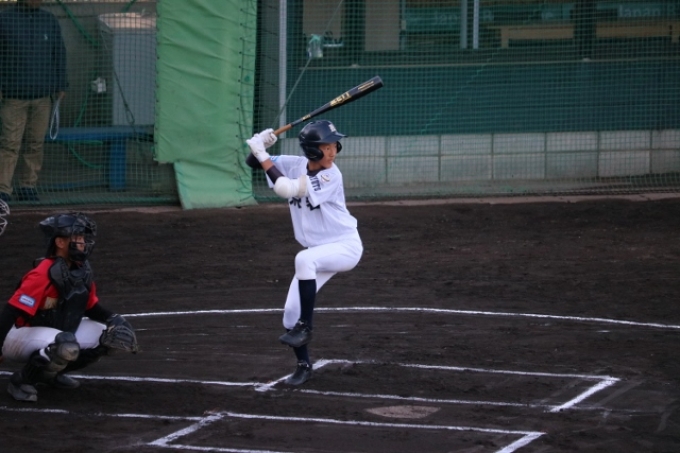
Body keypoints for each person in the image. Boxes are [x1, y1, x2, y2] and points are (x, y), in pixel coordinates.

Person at [246, 120, 364, 386]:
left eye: (334, 145)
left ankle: (306, 326)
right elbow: (253, 163)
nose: (332, 151)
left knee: (304, 259)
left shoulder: (331, 175)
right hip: (318, 252)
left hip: (345, 246)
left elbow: (285, 188)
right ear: (312, 149)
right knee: (290, 313)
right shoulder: (295, 164)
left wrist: (262, 154)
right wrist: (260, 146)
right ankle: (303, 365)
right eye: (326, 146)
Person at [0, 212, 139, 402]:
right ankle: (22, 381)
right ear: (60, 242)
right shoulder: (43, 274)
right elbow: (11, 311)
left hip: (53, 333)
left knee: (108, 336)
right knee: (65, 344)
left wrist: (114, 319)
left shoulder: (81, 270)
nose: (82, 242)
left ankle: (50, 375)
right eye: (77, 237)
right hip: (19, 335)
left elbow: (91, 307)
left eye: (82, 237)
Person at [0, 0, 69, 203]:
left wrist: (61, 84)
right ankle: (3, 189)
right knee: (9, 143)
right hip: (13, 96)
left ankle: (28, 186)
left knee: (35, 143)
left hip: (42, 97)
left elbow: (59, 53)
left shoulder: (49, 20)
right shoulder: (4, 19)